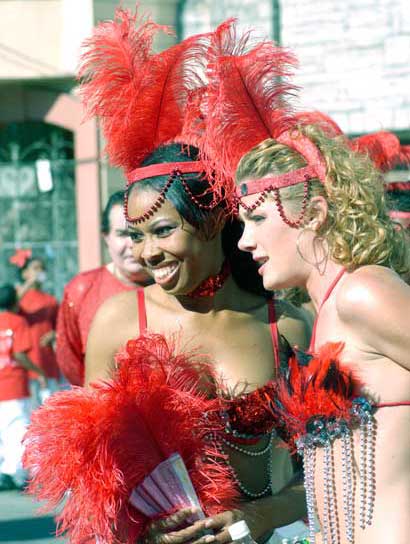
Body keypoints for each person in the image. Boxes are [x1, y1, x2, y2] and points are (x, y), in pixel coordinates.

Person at [195, 25, 410, 543]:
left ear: (312, 213)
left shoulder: (365, 292)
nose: (243, 242)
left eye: (256, 218)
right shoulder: (327, 311)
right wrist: (256, 519)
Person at [56, 190, 152, 386]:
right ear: (106, 236)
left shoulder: (177, 286)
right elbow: (70, 363)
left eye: (138, 233)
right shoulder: (82, 290)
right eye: (123, 234)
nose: (131, 244)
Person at [0, 284, 45, 490]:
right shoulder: (17, 322)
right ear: (16, 302)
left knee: (3, 430)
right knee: (18, 428)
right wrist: (38, 371)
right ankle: (14, 473)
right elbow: (19, 354)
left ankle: (7, 470)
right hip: (14, 384)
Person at [12, 254, 60, 408]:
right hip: (27, 363)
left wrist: (53, 334)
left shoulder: (50, 299)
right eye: (35, 268)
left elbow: (59, 326)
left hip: (47, 362)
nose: (40, 271)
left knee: (51, 410)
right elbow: (10, 306)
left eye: (42, 268)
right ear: (25, 273)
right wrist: (29, 282)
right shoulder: (19, 298)